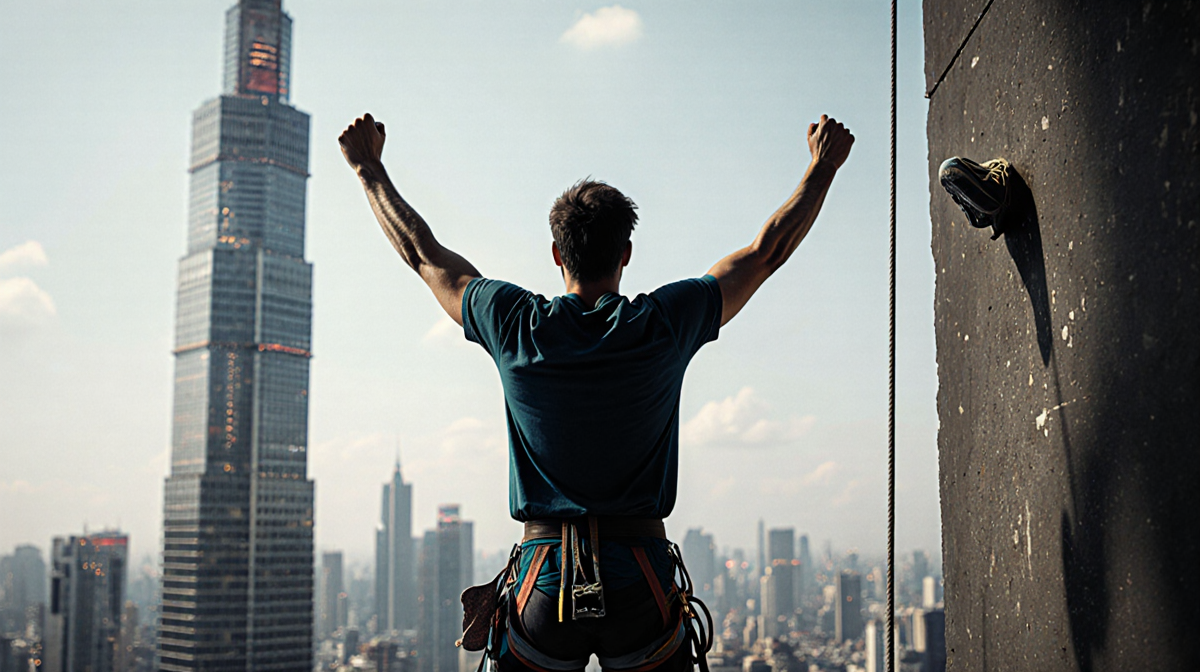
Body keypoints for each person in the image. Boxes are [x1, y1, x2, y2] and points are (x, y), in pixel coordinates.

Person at [339, 113, 854, 672]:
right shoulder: (661, 324)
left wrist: (369, 168)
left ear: (557, 254)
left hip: (544, 581)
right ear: (626, 254)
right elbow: (764, 254)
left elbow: (423, 254)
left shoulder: (516, 323)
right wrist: (821, 167)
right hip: (642, 578)